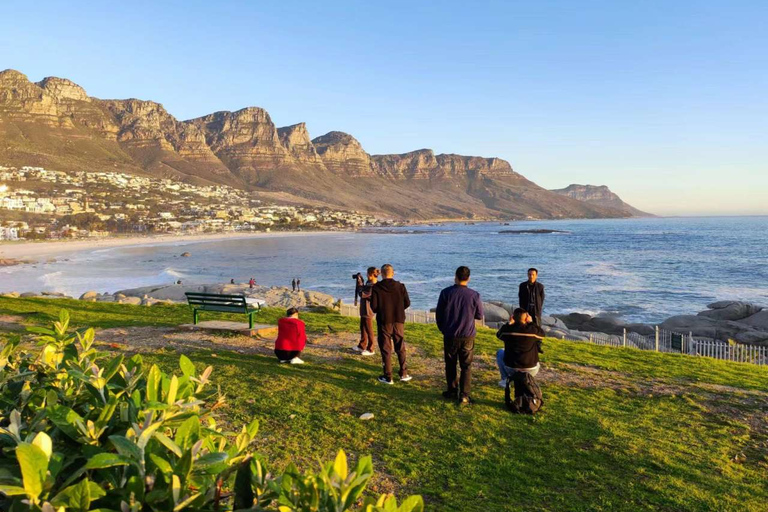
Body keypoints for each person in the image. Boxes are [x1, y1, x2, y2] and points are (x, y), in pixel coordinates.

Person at [435, 266, 484, 404]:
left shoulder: (446, 293)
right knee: (466, 366)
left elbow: (439, 314)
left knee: (450, 364)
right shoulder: (474, 295)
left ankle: (451, 390)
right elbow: (479, 315)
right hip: (467, 335)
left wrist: (443, 329)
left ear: (455, 276)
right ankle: (464, 394)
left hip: (450, 334)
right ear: (468, 278)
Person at [370, 263, 412, 384]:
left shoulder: (376, 288)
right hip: (398, 320)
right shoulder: (400, 286)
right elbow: (407, 303)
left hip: (384, 321)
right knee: (400, 346)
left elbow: (374, 307)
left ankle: (388, 376)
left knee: (386, 348)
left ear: (382, 274)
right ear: (392, 273)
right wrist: (398, 308)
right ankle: (403, 373)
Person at [495, 308, 544, 387]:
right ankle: (527, 378)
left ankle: (505, 379)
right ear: (526, 318)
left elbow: (498, 334)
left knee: (500, 352)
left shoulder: (507, 330)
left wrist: (509, 323)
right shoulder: (532, 331)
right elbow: (542, 334)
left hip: (511, 368)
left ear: (513, 317)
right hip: (531, 369)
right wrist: (531, 322)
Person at [354, 267, 378, 355]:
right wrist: (362, 282)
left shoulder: (373, 286)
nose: (367, 275)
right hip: (364, 309)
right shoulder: (369, 283)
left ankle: (371, 348)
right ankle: (362, 345)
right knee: (363, 328)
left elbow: (362, 294)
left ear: (371, 275)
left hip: (368, 310)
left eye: (368, 274)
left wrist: (360, 284)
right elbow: (364, 289)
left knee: (369, 329)